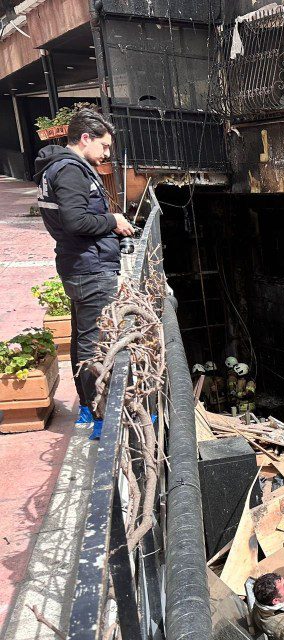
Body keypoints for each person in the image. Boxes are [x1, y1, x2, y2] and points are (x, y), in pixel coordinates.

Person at [34, 108, 135, 439]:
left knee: (83, 338)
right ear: (85, 139)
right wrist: (114, 222)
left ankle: (90, 409)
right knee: (96, 343)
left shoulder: (59, 168)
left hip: (79, 264)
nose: (106, 154)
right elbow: (77, 222)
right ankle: (100, 415)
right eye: (104, 147)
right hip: (90, 267)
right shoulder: (71, 171)